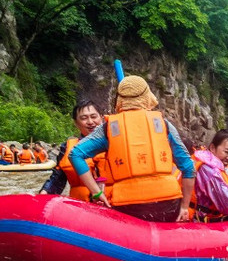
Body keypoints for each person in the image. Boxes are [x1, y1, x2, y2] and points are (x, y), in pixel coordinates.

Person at [65, 76, 196, 222]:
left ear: (120, 99)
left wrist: (96, 193)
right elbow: (188, 167)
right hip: (167, 202)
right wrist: (184, 206)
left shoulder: (108, 128)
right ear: (147, 96)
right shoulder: (163, 124)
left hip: (127, 205)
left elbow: (75, 154)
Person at [42, 100, 107, 200]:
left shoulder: (114, 141)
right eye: (84, 118)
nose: (90, 122)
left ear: (102, 118)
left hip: (111, 203)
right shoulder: (67, 147)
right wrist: (44, 193)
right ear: (76, 123)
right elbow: (58, 178)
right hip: (80, 206)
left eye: (93, 117)